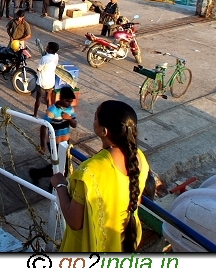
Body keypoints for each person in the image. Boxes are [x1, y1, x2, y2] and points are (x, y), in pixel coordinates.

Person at [49, 100, 149, 253]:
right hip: (126, 241)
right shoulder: (140, 158)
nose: (93, 120)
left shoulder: (90, 171)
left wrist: (60, 185)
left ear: (104, 131)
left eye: (95, 117)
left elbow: (74, 221)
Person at [39, 87, 77, 155]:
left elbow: (74, 125)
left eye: (71, 101)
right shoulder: (52, 110)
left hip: (66, 142)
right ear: (61, 98)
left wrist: (69, 118)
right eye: (67, 101)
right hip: (53, 142)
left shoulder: (70, 109)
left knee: (65, 161)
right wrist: (42, 146)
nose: (69, 104)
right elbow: (43, 127)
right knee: (56, 161)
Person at [33, 41, 60, 116]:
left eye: (47, 47)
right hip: (51, 82)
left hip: (42, 82)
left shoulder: (44, 58)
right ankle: (49, 114)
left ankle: (35, 114)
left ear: (51, 50)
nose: (46, 48)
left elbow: (39, 68)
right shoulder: (56, 56)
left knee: (38, 98)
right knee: (48, 99)